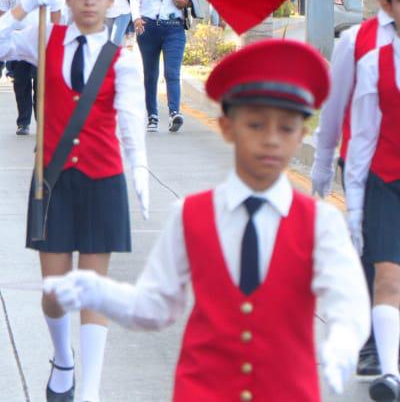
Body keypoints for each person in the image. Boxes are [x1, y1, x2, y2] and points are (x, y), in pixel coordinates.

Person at [45, 39, 371, 401]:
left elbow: (348, 296)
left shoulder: (319, 222)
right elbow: (156, 305)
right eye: (256, 125)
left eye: (287, 128)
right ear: (227, 127)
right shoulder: (191, 215)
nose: (271, 141)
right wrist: (101, 292)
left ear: (302, 136)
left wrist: (343, 339)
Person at [0, 0, 149, 402]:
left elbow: (131, 121)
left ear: (112, 0)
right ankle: (63, 358)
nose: (89, 2)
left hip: (102, 178)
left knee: (92, 290)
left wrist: (141, 173)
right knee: (55, 291)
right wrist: (23, 5)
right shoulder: (43, 37)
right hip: (51, 180)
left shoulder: (123, 56)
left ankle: (88, 391)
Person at [313, 0, 400, 377]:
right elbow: (334, 111)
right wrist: (323, 166)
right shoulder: (357, 44)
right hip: (370, 162)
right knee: (376, 256)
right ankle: (375, 347)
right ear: (385, 0)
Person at [346, 0, 400, 400]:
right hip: (386, 178)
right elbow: (360, 137)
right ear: (387, 4)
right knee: (387, 275)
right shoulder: (370, 58)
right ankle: (389, 371)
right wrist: (355, 206)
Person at [127, 0, 196, 133]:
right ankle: (152, 115)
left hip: (174, 28)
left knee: (172, 72)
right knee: (151, 74)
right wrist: (136, 18)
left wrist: (185, 2)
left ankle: (174, 112)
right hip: (148, 28)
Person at [0, 0, 63, 136]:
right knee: (21, 83)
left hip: (41, 40)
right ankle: (23, 121)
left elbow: (56, 10)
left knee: (42, 84)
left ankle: (42, 121)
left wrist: (55, 35)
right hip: (18, 40)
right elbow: (2, 9)